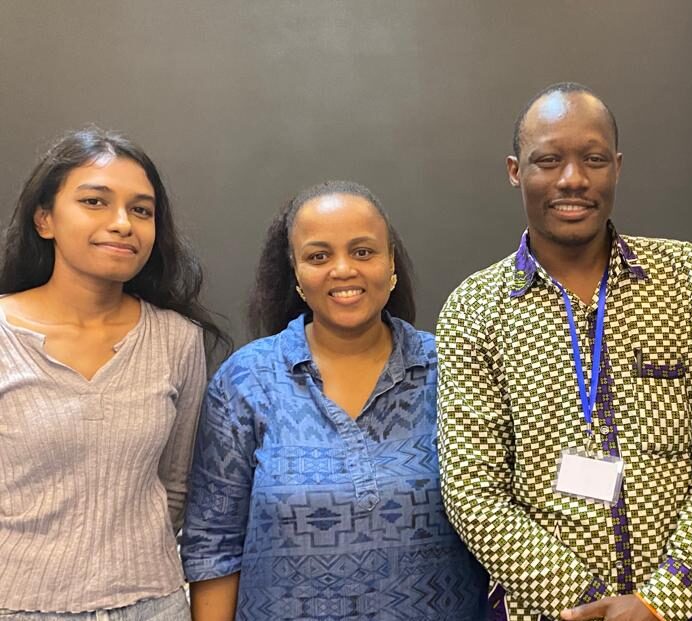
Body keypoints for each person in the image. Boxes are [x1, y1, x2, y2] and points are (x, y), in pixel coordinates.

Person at [436, 83, 692, 621]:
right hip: (546, 611)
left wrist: (660, 601)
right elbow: (473, 492)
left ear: (616, 167)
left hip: (685, 605)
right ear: (516, 171)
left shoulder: (686, 280)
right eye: (548, 160)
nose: (573, 179)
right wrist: (588, 606)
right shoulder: (475, 309)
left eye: (593, 159)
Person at [181, 180, 487, 621]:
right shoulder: (247, 380)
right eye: (319, 256)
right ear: (296, 273)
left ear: (391, 263)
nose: (343, 270)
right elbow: (213, 546)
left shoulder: (454, 370)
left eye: (363, 251)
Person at [0, 127, 225, 619]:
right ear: (44, 219)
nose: (122, 223)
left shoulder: (177, 339)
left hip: (154, 605)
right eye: (95, 202)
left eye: (141, 210)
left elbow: (178, 484)